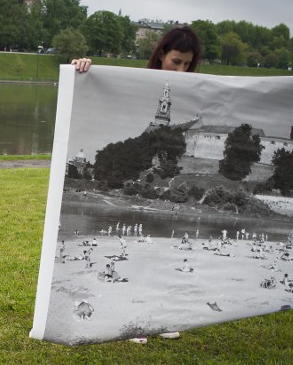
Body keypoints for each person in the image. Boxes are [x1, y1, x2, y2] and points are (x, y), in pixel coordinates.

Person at [70, 26, 203, 344]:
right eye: (176, 61)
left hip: (161, 179)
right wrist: (83, 67)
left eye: (188, 64)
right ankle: (132, 318)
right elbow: (103, 90)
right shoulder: (136, 82)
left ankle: (160, 316)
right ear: (160, 55)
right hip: (131, 174)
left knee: (162, 256)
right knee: (135, 255)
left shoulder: (196, 87)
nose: (182, 69)